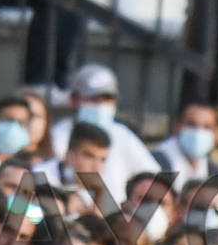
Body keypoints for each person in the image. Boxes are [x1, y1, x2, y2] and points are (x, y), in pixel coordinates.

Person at [44, 64, 159, 205]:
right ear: (73, 100)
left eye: (107, 99)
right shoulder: (58, 135)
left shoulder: (122, 134)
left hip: (116, 213)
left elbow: (153, 177)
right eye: (93, 99)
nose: (101, 105)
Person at [151, 100, 218, 183]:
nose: (198, 132)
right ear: (176, 127)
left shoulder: (213, 171)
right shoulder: (155, 163)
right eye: (191, 124)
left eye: (207, 127)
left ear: (217, 135)